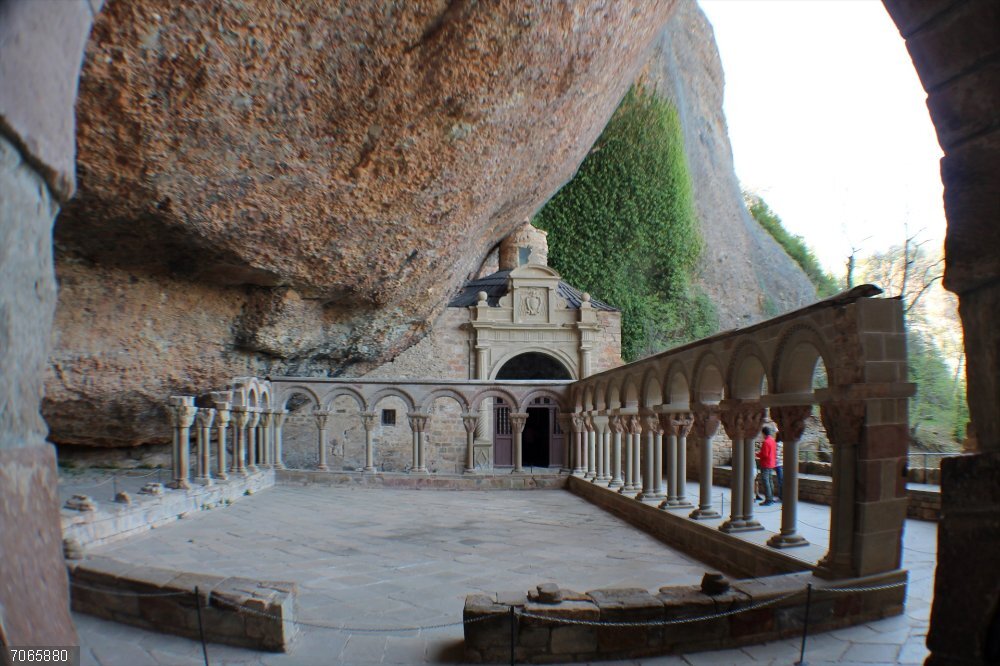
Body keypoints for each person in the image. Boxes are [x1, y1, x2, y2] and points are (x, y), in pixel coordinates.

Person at [756, 426, 777, 506]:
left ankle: (768, 499)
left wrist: (757, 454)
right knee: (770, 481)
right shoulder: (772, 441)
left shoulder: (766, 442)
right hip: (771, 463)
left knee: (766, 482)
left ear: (763, 433)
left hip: (766, 464)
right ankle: (771, 497)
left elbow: (765, 454)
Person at [774, 437, 784, 502]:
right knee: (781, 480)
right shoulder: (782, 444)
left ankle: (781, 497)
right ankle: (781, 496)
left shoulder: (777, 444)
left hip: (778, 464)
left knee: (780, 481)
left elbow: (775, 454)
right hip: (782, 464)